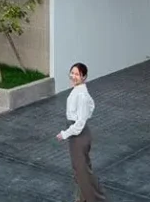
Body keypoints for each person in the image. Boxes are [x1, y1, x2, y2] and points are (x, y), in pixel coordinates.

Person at [56, 62, 106, 202]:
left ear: (84, 77)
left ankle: (96, 199)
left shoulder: (82, 95)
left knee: (83, 173)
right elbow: (91, 106)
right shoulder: (78, 90)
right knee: (81, 170)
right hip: (77, 135)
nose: (73, 76)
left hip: (78, 135)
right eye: (72, 73)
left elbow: (80, 123)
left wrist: (64, 134)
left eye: (77, 74)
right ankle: (82, 199)